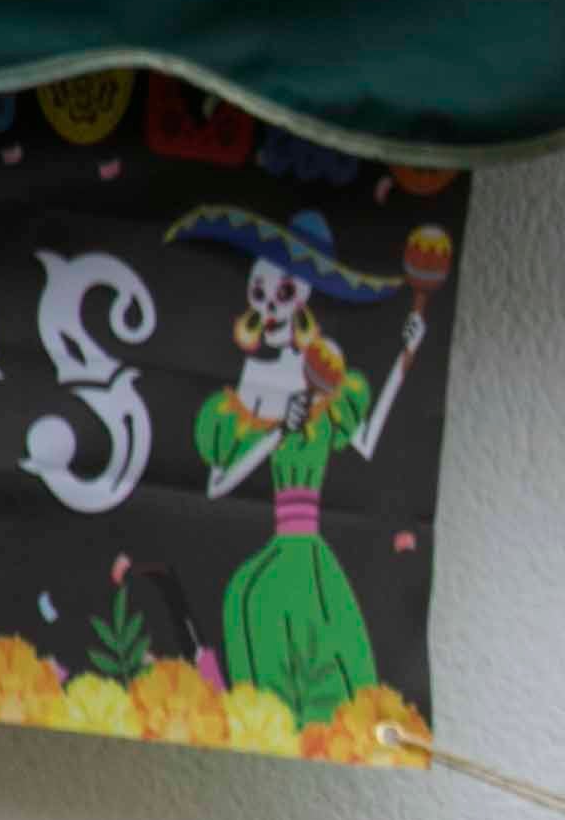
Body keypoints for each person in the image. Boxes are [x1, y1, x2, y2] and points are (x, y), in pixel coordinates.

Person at [171, 206, 425, 729]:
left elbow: (369, 439)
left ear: (305, 297)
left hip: (314, 557)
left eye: (284, 293)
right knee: (251, 607)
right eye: (260, 293)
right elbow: (219, 484)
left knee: (337, 666)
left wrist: (406, 355)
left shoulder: (329, 378)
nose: (270, 306)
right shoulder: (252, 378)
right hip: (275, 558)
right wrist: (273, 433)